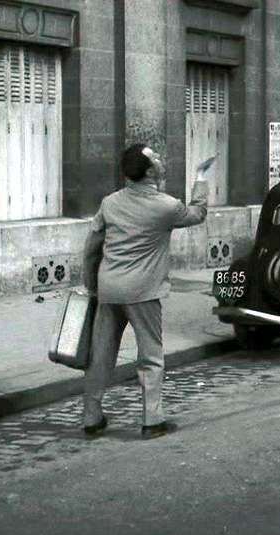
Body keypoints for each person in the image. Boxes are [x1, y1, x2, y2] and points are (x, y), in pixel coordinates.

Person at [81, 143, 215, 440]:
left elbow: (91, 247)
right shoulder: (166, 206)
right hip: (143, 290)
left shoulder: (110, 203)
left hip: (109, 288)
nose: (160, 158)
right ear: (150, 170)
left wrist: (91, 284)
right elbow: (197, 213)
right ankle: (151, 420)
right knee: (151, 356)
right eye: (155, 157)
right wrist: (200, 175)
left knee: (100, 355)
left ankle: (91, 416)